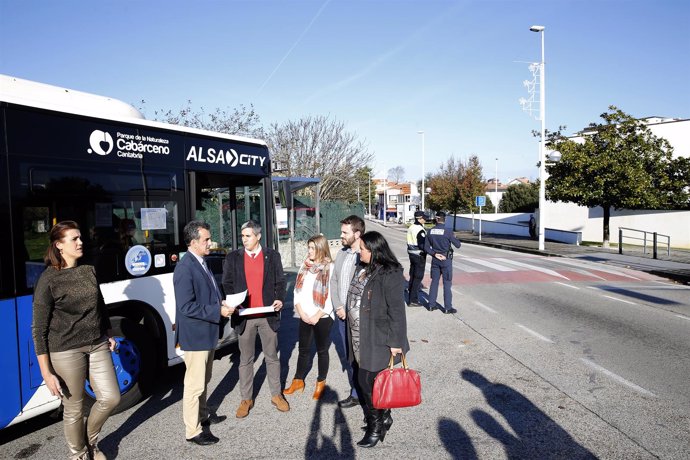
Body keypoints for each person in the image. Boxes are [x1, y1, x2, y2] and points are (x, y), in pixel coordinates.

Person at [32, 221, 120, 460]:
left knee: (111, 398)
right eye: (74, 239)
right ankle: (78, 454)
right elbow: (38, 329)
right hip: (65, 350)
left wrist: (109, 333)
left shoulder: (88, 269)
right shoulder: (48, 280)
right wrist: (46, 372)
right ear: (59, 245)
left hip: (97, 342)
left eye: (80, 237)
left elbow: (100, 305)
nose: (81, 242)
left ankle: (90, 441)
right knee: (74, 408)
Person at [346, 231, 409, 448]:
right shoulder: (363, 268)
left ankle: (376, 427)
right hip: (359, 336)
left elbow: (397, 312)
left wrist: (395, 343)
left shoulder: (390, 273)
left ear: (374, 251)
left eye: (362, 249)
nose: (359, 252)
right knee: (369, 382)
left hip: (379, 338)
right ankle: (385, 416)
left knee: (367, 382)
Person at [174, 220, 232, 446]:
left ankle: (203, 415)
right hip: (196, 335)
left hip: (206, 333)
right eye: (206, 239)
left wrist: (222, 302)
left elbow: (206, 293)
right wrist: (217, 309)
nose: (211, 242)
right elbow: (186, 307)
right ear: (193, 241)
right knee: (194, 385)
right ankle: (193, 431)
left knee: (204, 379)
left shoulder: (200, 261)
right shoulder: (185, 267)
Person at [222, 220, 288, 418]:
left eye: (248, 236)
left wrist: (280, 299)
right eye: (242, 236)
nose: (244, 240)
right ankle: (246, 399)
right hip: (245, 317)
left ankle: (277, 395)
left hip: (267, 315)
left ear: (258, 236)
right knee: (246, 360)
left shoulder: (272, 255)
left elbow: (280, 281)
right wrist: (233, 302)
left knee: (272, 358)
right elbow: (227, 283)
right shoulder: (233, 257)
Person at [283, 235, 334, 400]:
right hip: (304, 315)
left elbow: (332, 297)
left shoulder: (329, 268)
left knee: (321, 350)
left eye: (312, 248)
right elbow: (296, 292)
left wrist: (317, 315)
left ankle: (321, 382)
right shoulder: (304, 266)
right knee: (303, 350)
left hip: (322, 316)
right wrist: (302, 313)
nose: (309, 251)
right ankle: (298, 380)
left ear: (320, 248)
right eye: (309, 248)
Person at [330, 215, 365, 409]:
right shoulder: (342, 254)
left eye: (345, 232)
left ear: (357, 234)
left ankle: (369, 394)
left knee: (363, 357)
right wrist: (338, 306)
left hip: (359, 317)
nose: (341, 235)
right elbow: (334, 281)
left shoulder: (366, 254)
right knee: (349, 356)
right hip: (341, 315)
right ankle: (355, 392)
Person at [424, 211, 462, 314]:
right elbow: (458, 245)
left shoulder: (430, 231)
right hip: (446, 260)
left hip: (435, 259)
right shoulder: (448, 231)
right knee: (447, 283)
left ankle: (431, 305)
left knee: (434, 282)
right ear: (444, 219)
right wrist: (455, 237)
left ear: (436, 219)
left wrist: (434, 254)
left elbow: (426, 247)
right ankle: (447, 308)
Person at [406, 210, 429, 306]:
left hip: (411, 254)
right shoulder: (420, 230)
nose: (425, 219)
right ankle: (413, 300)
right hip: (419, 255)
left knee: (412, 275)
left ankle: (410, 292)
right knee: (418, 278)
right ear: (419, 219)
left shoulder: (411, 227)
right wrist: (431, 252)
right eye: (423, 218)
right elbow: (422, 245)